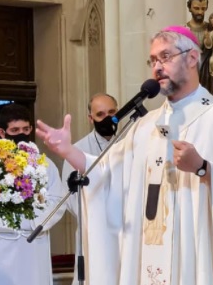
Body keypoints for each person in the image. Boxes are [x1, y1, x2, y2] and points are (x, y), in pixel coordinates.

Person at [36, 26, 213, 285]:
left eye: (165, 57)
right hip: (149, 249)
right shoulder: (145, 125)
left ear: (192, 58)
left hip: (191, 260)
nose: (157, 67)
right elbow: (107, 173)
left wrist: (203, 167)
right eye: (153, 60)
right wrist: (68, 151)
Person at [0, 103, 65, 285]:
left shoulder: (45, 163)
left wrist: (35, 223)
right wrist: (6, 225)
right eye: (15, 130)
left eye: (26, 129)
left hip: (35, 241)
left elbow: (57, 199)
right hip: (2, 243)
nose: (22, 134)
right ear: (2, 133)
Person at [61, 93, 118, 285]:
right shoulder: (77, 151)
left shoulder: (129, 143)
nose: (107, 118)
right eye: (100, 114)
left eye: (111, 112)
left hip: (126, 230)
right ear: (90, 118)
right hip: (94, 231)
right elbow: (70, 199)